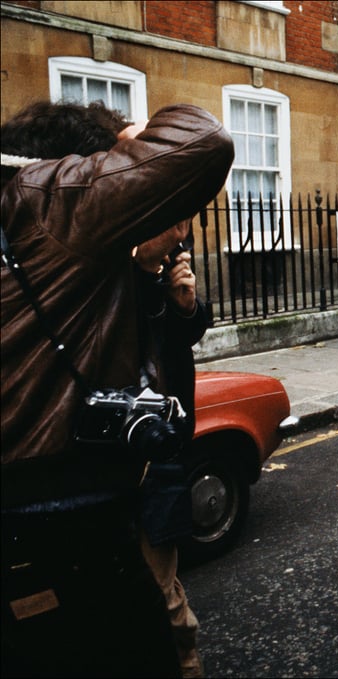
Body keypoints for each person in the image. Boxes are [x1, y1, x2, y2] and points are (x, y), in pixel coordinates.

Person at [1, 101, 233, 676]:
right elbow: (204, 139)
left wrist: (170, 291)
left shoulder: (42, 248)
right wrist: (131, 142)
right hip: (68, 508)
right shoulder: (50, 202)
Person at [134, 219, 211, 678]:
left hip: (161, 441)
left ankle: (185, 659)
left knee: (159, 578)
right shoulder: (108, 261)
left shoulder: (167, 252)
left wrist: (186, 305)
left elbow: (184, 336)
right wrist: (144, 275)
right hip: (111, 443)